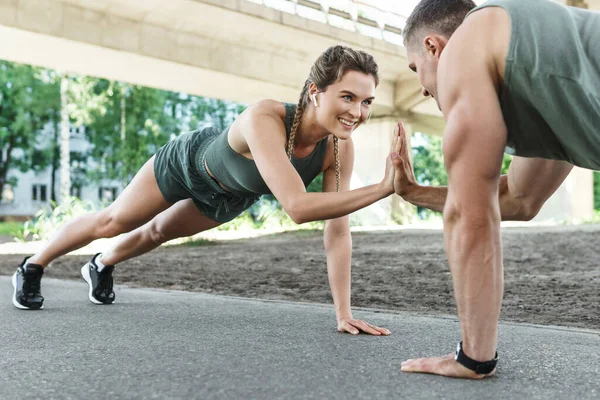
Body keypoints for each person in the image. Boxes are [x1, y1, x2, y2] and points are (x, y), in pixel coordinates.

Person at [12, 45, 399, 336]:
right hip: (188, 163)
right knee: (115, 220)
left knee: (157, 232)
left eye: (366, 102)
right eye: (347, 97)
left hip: (231, 195)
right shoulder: (266, 117)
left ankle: (99, 265)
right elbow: (297, 207)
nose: (358, 112)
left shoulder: (337, 149)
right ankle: (33, 265)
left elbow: (337, 228)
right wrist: (384, 188)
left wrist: (343, 313)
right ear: (315, 91)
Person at [391, 0, 600, 379]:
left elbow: (470, 218)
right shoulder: (547, 66)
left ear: (434, 48)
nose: (421, 88)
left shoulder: (466, 47)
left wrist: (473, 359)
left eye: (414, 67)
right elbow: (519, 199)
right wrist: (413, 192)